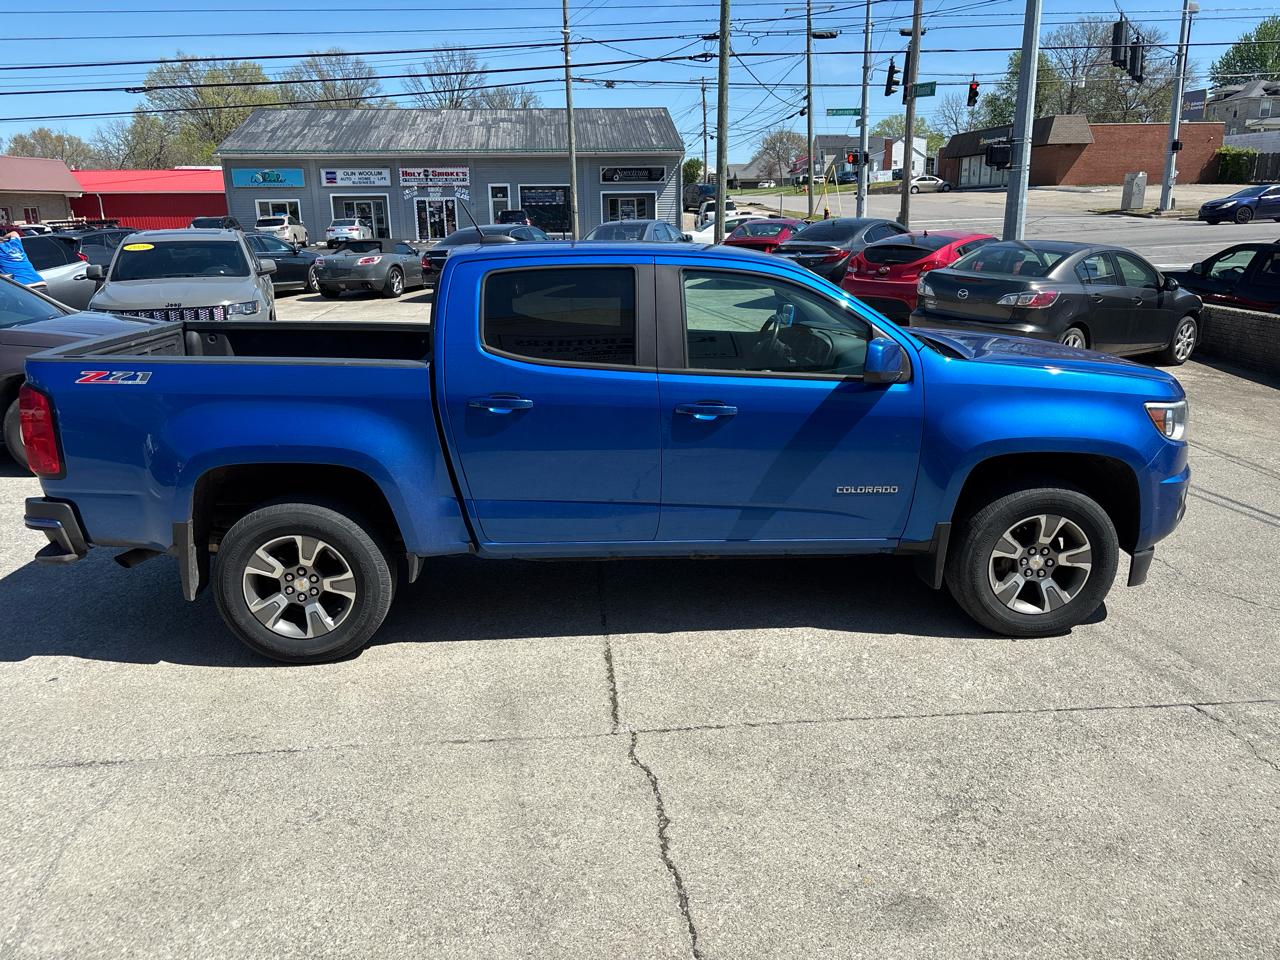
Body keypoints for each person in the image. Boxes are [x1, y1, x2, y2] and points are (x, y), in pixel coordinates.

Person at [0, 225, 46, 291]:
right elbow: (14, 233)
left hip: (23, 287)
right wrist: (4, 238)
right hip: (40, 282)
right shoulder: (16, 244)